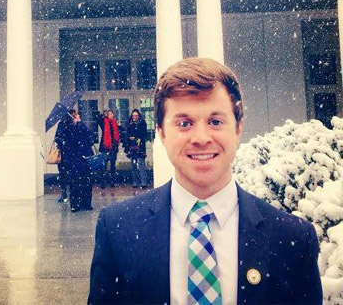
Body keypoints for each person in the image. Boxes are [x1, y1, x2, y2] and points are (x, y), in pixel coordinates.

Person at [89, 57, 322, 305]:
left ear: (238, 128)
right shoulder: (117, 229)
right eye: (184, 123)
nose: (201, 138)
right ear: (161, 132)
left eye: (215, 121)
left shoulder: (292, 238)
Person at [55, 109, 94, 212]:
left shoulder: (80, 125)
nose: (77, 116)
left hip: (82, 158)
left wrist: (79, 124)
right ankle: (76, 204)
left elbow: (90, 137)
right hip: (73, 158)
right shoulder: (65, 126)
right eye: (75, 114)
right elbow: (60, 139)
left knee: (84, 181)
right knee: (75, 182)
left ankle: (84, 203)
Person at [124, 109, 148, 188]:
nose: (135, 117)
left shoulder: (142, 123)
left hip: (140, 146)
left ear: (139, 116)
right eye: (133, 115)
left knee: (141, 164)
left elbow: (144, 134)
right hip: (132, 146)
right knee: (133, 165)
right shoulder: (129, 124)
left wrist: (138, 138)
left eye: (136, 116)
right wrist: (129, 138)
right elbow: (127, 134)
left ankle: (144, 182)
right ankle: (135, 183)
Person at [96, 109, 120, 189]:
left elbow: (120, 132)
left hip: (113, 148)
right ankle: (103, 182)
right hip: (105, 147)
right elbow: (97, 118)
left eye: (111, 113)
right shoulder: (104, 122)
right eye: (109, 114)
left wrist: (119, 126)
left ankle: (112, 182)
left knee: (113, 166)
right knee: (104, 166)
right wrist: (102, 114)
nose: (110, 115)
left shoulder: (115, 123)